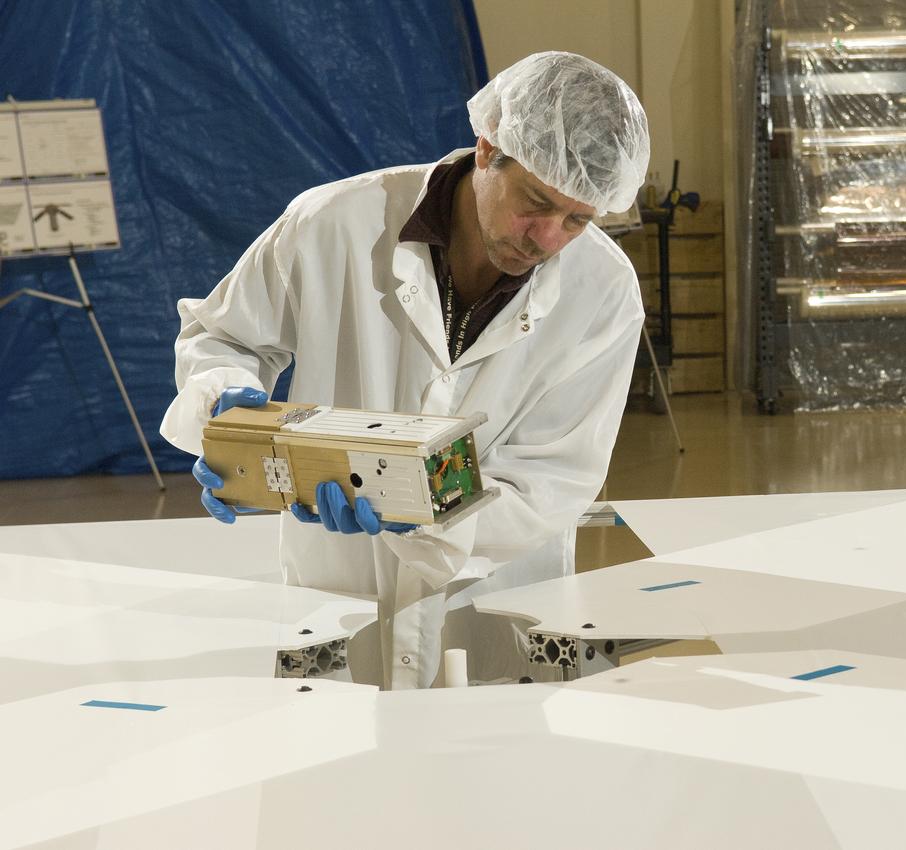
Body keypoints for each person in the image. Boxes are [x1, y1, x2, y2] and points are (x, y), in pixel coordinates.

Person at [159, 52, 649, 688]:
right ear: (487, 148)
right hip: (337, 586)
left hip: (497, 597)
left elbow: (555, 476)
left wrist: (423, 510)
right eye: (536, 201)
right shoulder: (332, 224)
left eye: (579, 219)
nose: (548, 239)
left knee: (500, 773)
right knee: (331, 768)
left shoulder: (603, 291)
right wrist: (228, 407)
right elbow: (221, 336)